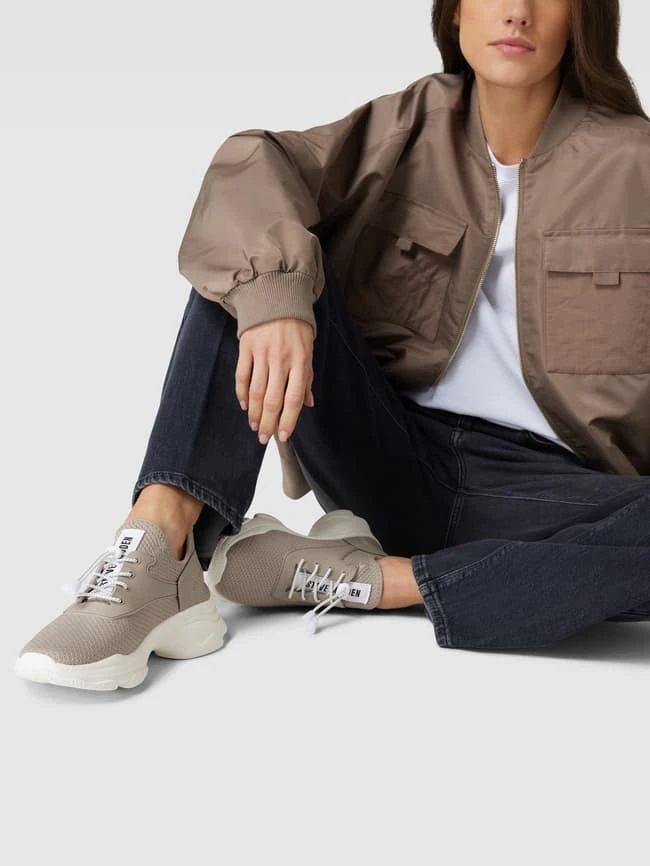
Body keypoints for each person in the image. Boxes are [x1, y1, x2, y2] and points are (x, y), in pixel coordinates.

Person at [15, 0, 650, 691]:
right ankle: (156, 549)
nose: (517, 13)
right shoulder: (410, 127)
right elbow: (257, 163)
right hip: (385, 453)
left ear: (583, 17)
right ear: (455, 12)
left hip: (549, 497)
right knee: (256, 261)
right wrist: (277, 304)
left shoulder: (635, 163)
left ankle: (371, 580)